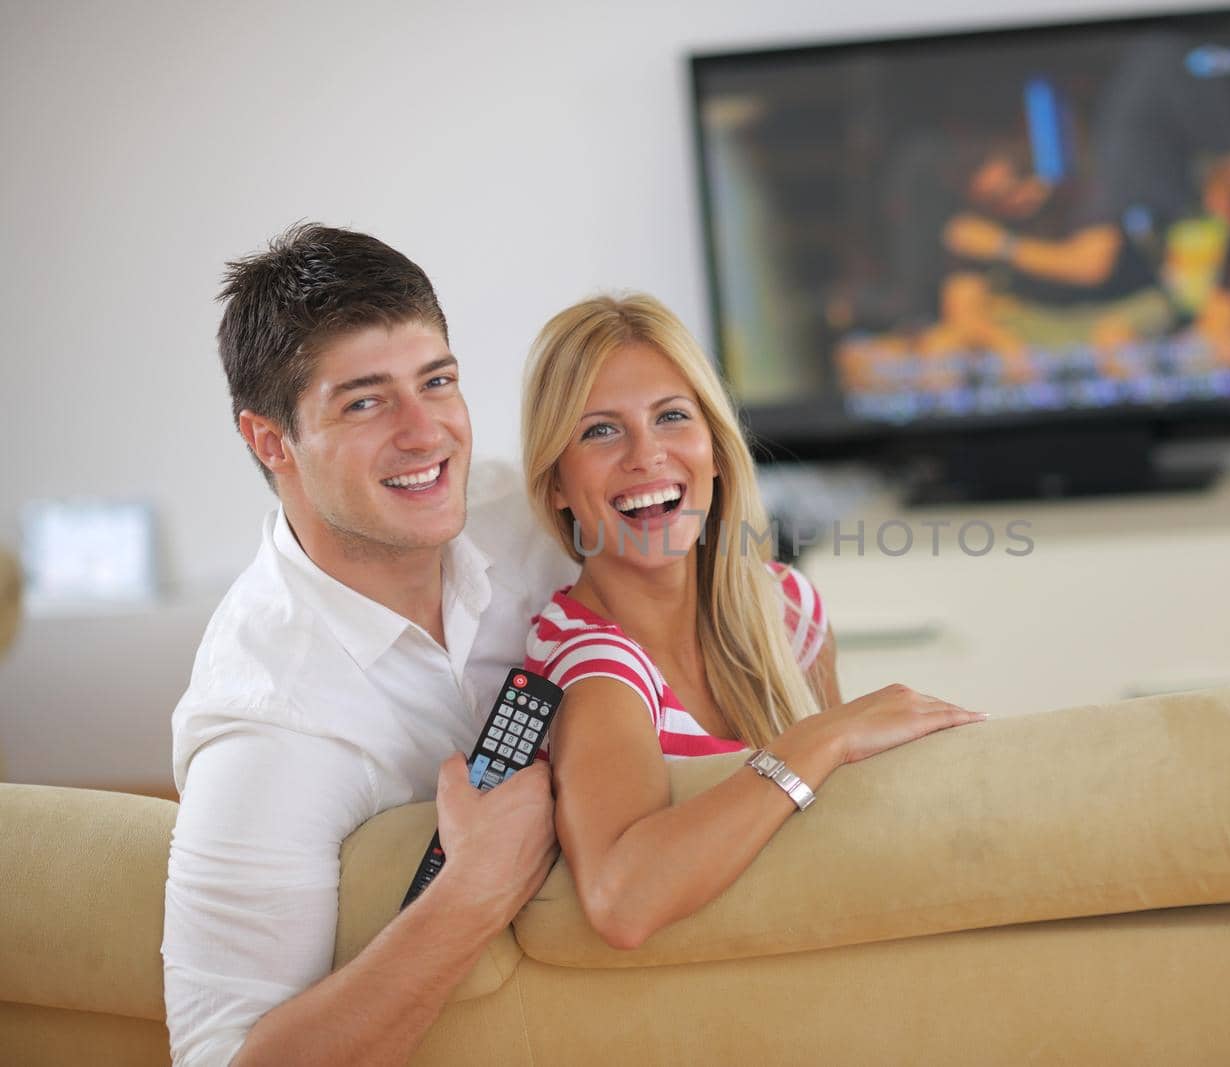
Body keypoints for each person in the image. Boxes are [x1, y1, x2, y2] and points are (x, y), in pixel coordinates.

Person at [161, 223, 577, 1066]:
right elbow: (221, 1059)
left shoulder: (521, 516)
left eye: (438, 382)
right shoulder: (266, 726)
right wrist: (473, 892)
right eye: (364, 400)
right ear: (270, 441)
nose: (427, 434)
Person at [519, 293, 985, 950]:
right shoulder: (594, 668)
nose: (646, 455)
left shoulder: (786, 608)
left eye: (672, 417)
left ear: (713, 447)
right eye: (600, 429)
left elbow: (843, 834)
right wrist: (821, 737)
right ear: (557, 484)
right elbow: (622, 897)